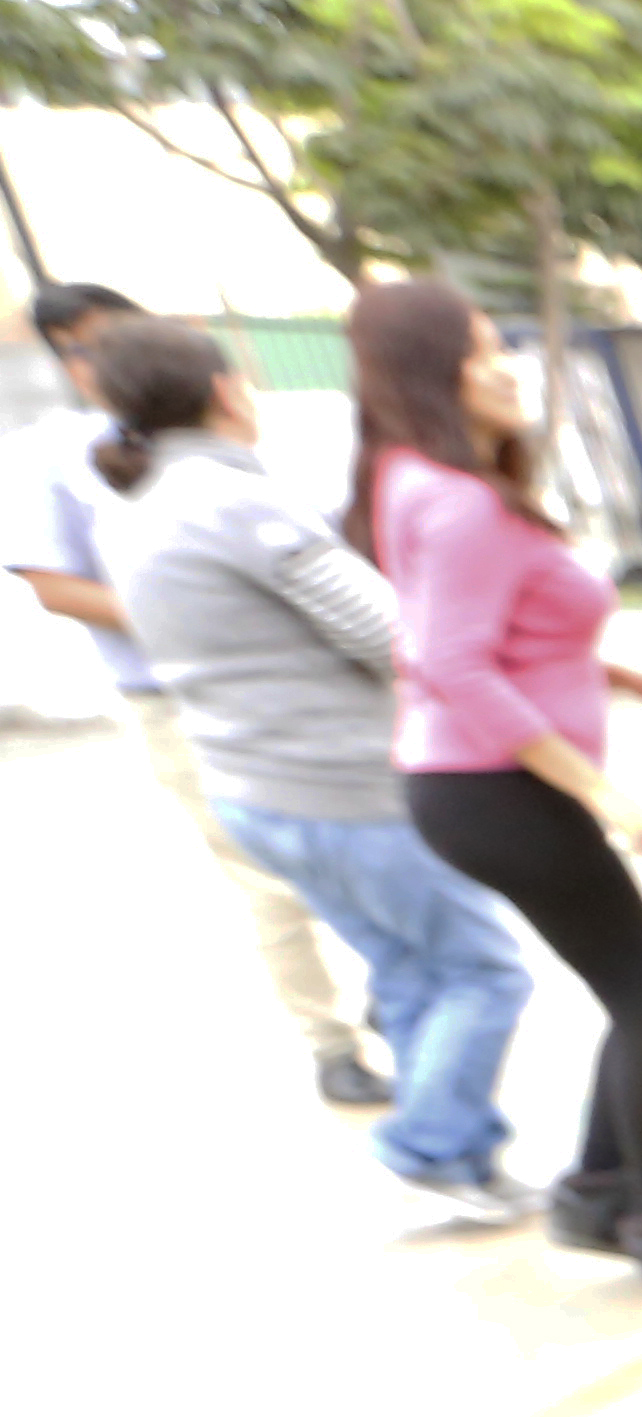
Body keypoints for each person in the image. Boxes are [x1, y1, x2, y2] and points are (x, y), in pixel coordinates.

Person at [354, 281, 642, 1290]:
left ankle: (602, 1195)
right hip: (497, 788)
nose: (503, 366)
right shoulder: (457, 500)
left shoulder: (414, 476)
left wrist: (630, 677)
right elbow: (454, 665)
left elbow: (490, 642)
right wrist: (606, 795)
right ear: (426, 375)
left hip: (474, 784)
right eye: (476, 354)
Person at [90, 316, 539, 1218]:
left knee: (413, 970)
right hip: (339, 785)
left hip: (253, 787)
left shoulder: (131, 506)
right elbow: (387, 635)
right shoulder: (235, 501)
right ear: (226, 390)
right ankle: (425, 1146)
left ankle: (458, 1161)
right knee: (485, 971)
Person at [11, 284, 387, 1105]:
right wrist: (194, 621)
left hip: (300, 682)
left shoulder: (228, 433)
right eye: (77, 348)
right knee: (264, 875)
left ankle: (397, 989)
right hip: (177, 699)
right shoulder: (54, 457)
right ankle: (331, 1043)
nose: (97, 359)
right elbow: (53, 585)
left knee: (369, 844)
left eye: (112, 338)